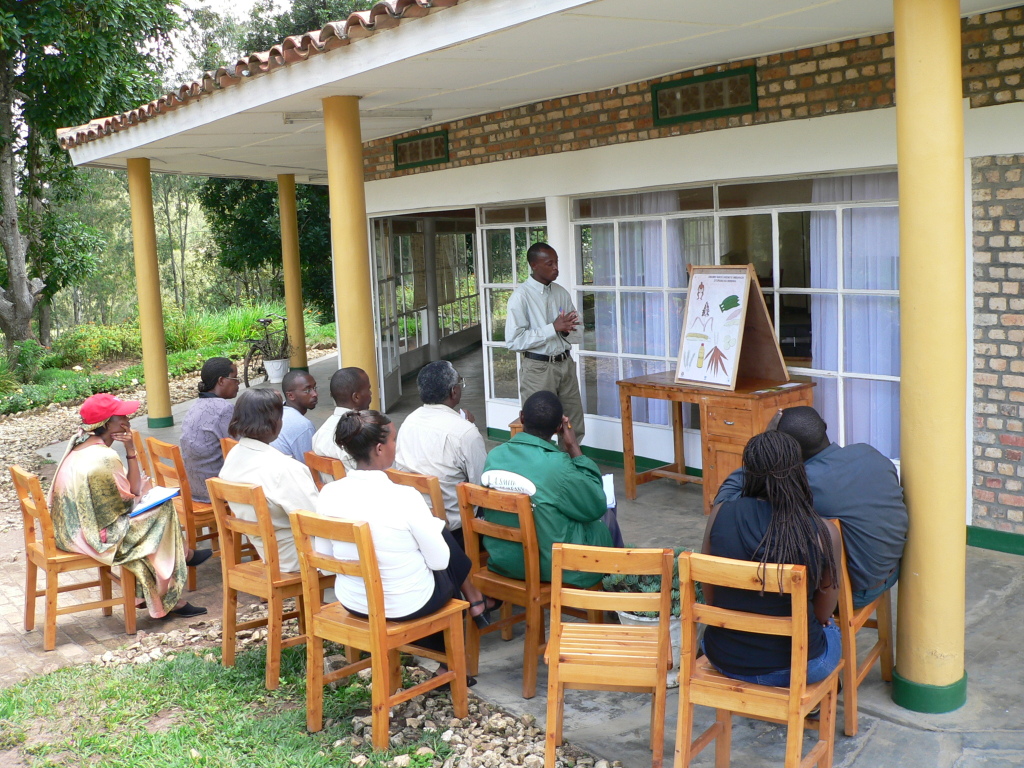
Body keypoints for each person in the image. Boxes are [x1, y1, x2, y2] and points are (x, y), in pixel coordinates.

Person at [316, 410, 494, 670]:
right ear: (379, 448)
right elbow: (440, 560)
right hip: (406, 605)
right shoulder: (405, 496)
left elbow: (325, 562)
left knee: (431, 540)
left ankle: (470, 611)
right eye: (393, 440)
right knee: (440, 547)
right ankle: (450, 662)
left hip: (353, 601)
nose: (395, 447)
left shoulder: (328, 494)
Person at [714, 405, 907, 609]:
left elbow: (725, 507)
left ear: (786, 449)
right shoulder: (868, 452)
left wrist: (766, 446)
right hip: (891, 570)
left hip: (851, 591)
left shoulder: (802, 482)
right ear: (824, 426)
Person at [48, 393, 209, 620]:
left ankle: (175, 578)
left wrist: (131, 451)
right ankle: (179, 570)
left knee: (152, 520)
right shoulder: (104, 457)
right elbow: (129, 499)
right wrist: (135, 466)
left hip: (70, 530)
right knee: (163, 510)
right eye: (122, 415)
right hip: (94, 537)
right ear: (108, 424)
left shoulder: (80, 445)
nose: (127, 419)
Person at [702, 430, 842, 686]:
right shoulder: (823, 532)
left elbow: (710, 596)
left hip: (722, 657)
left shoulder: (720, 514)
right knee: (833, 629)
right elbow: (823, 614)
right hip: (798, 668)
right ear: (799, 471)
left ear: (748, 471)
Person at [480, 390, 612, 587]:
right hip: (553, 568)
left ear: (522, 417)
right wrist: (573, 447)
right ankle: (617, 596)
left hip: (504, 562)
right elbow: (596, 504)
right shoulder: (558, 466)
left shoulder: (494, 456)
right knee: (606, 521)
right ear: (560, 427)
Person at [218, 388, 319, 573]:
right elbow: (316, 521)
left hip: (266, 551)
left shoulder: (233, 455)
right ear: (275, 422)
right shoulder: (283, 468)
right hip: (295, 556)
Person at [394, 360, 486, 547]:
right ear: (454, 391)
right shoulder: (465, 433)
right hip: (455, 534)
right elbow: (481, 487)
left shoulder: (408, 422)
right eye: (460, 382)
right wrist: (468, 428)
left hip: (415, 522)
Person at [505, 242, 585, 443]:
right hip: (538, 369)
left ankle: (570, 469)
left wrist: (567, 331)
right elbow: (514, 341)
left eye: (556, 262)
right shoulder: (520, 297)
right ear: (534, 265)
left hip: (565, 365)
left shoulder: (561, 292)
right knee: (540, 427)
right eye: (550, 264)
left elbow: (578, 330)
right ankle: (544, 471)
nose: (556, 268)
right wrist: (553, 328)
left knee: (573, 423)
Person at [180, 357, 239, 503]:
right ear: (221, 381)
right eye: (235, 379)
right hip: (214, 490)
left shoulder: (196, 405)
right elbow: (238, 449)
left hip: (193, 488)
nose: (238, 383)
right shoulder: (224, 409)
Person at [311, 367, 372, 472]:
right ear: (356, 397)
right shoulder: (359, 435)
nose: (371, 394)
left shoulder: (319, 434)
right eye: (369, 389)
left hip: (329, 487)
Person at [270, 371, 318, 462]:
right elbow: (311, 466)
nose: (315, 394)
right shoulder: (303, 425)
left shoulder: (279, 410)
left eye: (314, 388)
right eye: (308, 390)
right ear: (290, 395)